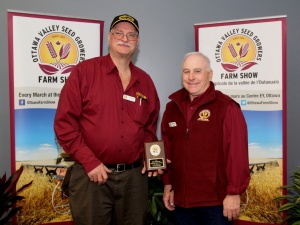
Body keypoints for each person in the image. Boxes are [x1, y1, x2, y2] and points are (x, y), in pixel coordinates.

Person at [54, 14, 160, 225]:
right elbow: (65, 124)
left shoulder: (145, 81)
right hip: (92, 176)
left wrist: (152, 159)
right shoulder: (84, 72)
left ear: (137, 42)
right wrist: (91, 163)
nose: (125, 38)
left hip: (133, 180)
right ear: (109, 37)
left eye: (131, 35)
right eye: (119, 33)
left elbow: (149, 128)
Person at [161, 52, 250, 225]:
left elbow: (237, 154)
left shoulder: (227, 107)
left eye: (197, 71)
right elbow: (167, 149)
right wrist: (168, 184)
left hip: (215, 204)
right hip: (180, 203)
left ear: (210, 74)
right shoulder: (171, 108)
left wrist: (233, 192)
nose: (191, 77)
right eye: (186, 71)